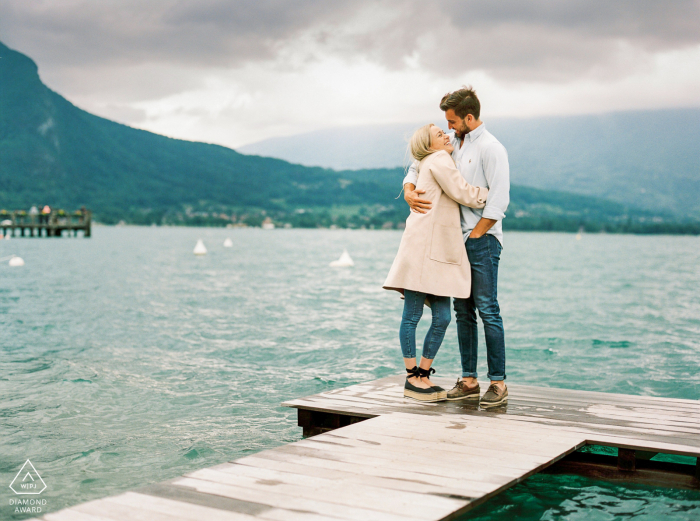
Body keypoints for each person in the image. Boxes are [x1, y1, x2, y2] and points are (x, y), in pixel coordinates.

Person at [403, 86, 510, 408]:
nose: (448, 127)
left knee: (487, 309)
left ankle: (498, 383)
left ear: (468, 117)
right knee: (463, 313)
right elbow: (417, 164)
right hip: (452, 243)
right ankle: (468, 380)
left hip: (481, 240)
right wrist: (408, 189)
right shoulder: (451, 146)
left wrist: (476, 236)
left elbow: (499, 200)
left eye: (452, 121)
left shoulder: (492, 149)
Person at [384, 124, 489, 402]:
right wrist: (493, 195)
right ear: (430, 145)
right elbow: (462, 191)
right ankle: (412, 379)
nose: (445, 133)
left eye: (445, 129)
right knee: (414, 314)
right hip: (422, 247)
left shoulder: (435, 156)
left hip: (436, 250)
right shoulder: (439, 158)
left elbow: (415, 168)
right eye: (438, 133)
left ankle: (423, 375)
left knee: (442, 317)